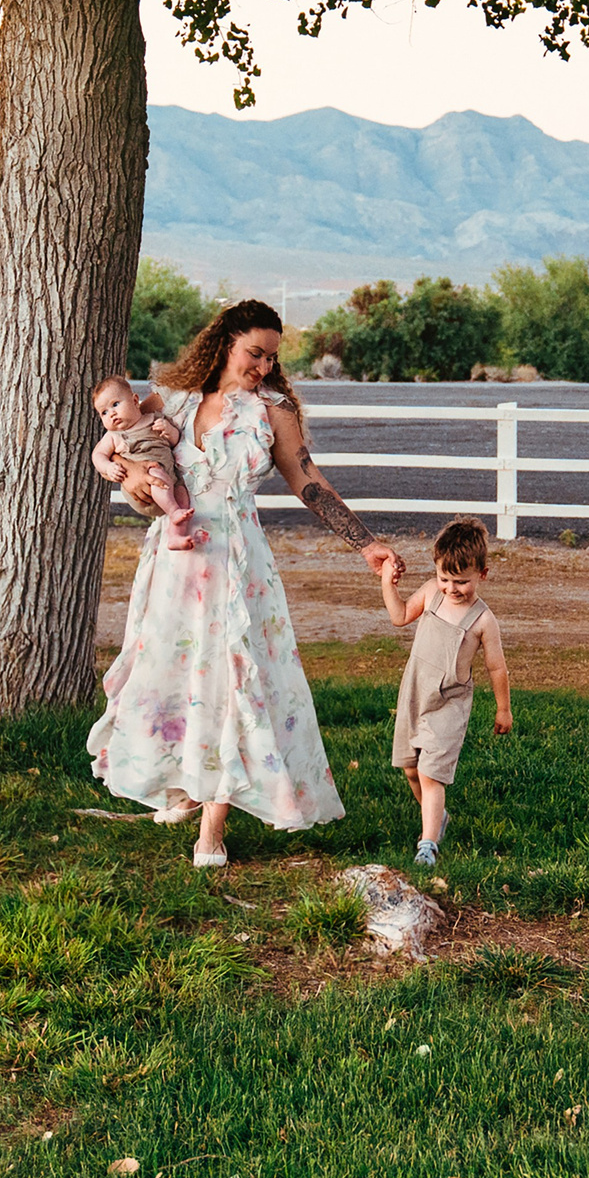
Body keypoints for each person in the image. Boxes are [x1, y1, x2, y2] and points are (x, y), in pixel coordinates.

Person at [85, 300, 401, 866]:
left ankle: (213, 826)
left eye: (271, 357)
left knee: (235, 684)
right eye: (255, 353)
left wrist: (366, 543)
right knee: (175, 674)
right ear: (226, 341)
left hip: (237, 565)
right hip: (175, 563)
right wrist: (131, 482)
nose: (262, 365)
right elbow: (132, 452)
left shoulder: (271, 412)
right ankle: (182, 783)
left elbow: (308, 481)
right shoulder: (172, 400)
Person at [378, 515, 512, 868]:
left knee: (430, 772)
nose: (451, 588)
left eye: (461, 581)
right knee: (410, 768)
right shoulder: (430, 594)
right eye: (444, 578)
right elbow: (400, 615)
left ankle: (428, 845)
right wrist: (387, 584)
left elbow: (496, 667)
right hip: (416, 692)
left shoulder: (483, 620)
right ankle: (436, 819)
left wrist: (503, 709)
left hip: (449, 703)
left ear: (482, 574)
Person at [89, 374, 198, 550]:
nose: (112, 414)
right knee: (155, 475)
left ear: (135, 400)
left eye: (115, 404)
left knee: (183, 496)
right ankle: (173, 511)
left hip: (171, 479)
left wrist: (169, 430)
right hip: (145, 484)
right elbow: (98, 455)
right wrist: (109, 467)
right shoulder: (114, 436)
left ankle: (176, 536)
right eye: (104, 412)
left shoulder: (154, 419)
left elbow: (175, 441)